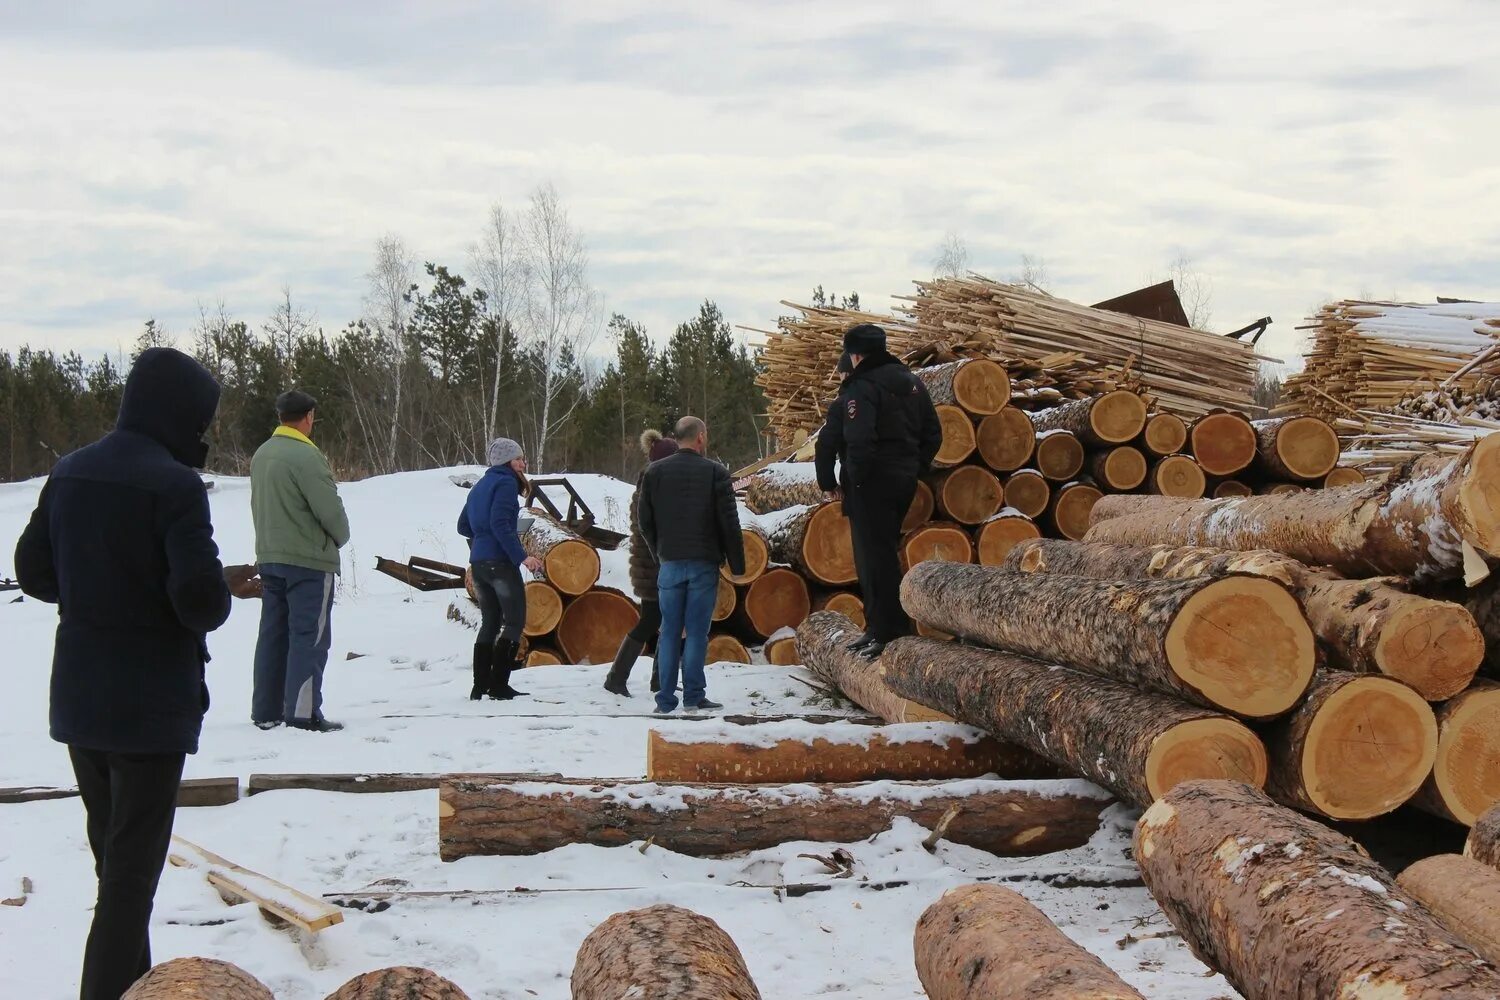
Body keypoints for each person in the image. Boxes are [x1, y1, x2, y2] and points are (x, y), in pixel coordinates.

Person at [14, 347, 244, 1000]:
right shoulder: (174, 485)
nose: (203, 435)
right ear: (178, 413)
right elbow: (200, 601)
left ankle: (136, 989)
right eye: (201, 420)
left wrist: (96, 591)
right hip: (148, 710)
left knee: (118, 876)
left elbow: (33, 571)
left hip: (82, 703)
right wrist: (206, 589)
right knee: (126, 885)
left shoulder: (70, 472)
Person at [815, 324, 942, 659]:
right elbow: (933, 433)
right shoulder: (913, 383)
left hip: (870, 482)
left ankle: (888, 630)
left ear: (855, 354)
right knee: (882, 552)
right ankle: (878, 627)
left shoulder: (861, 388)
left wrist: (851, 482)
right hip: (902, 480)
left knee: (874, 558)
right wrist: (915, 468)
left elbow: (859, 441)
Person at [250, 390, 351, 732]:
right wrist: (340, 536)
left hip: (270, 556)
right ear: (308, 417)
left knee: (273, 635)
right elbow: (329, 509)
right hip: (308, 560)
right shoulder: (307, 456)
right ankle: (303, 713)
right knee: (309, 636)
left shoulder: (262, 454)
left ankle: (266, 710)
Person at [638, 416, 745, 713]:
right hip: (703, 562)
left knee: (670, 631)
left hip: (670, 563)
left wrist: (659, 551)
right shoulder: (715, 473)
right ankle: (694, 696)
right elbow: (729, 522)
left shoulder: (654, 472)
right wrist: (737, 564)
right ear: (700, 437)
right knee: (697, 632)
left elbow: (644, 521)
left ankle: (665, 701)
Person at [459, 437, 543, 700]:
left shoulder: (481, 485)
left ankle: (479, 686)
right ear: (508, 462)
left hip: (479, 564)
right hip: (500, 563)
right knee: (515, 621)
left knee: (490, 622)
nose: (523, 463)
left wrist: (480, 539)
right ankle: (498, 685)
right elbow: (499, 524)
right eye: (518, 459)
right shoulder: (506, 482)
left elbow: (463, 526)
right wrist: (522, 557)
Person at [604, 429, 679, 697]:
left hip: (654, 564)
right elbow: (654, 529)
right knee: (652, 621)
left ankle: (659, 679)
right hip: (655, 566)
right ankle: (617, 677)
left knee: (665, 620)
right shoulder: (653, 485)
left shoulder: (653, 482)